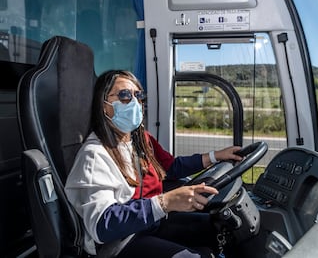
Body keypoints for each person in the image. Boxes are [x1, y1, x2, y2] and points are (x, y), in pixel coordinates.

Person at [64, 70, 243, 258]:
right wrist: (165, 202)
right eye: (124, 96)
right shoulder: (94, 155)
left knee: (219, 228)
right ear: (104, 106)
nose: (134, 103)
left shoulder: (138, 140)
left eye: (138, 96)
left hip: (148, 224)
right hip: (120, 242)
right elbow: (102, 226)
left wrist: (216, 156)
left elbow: (171, 167)